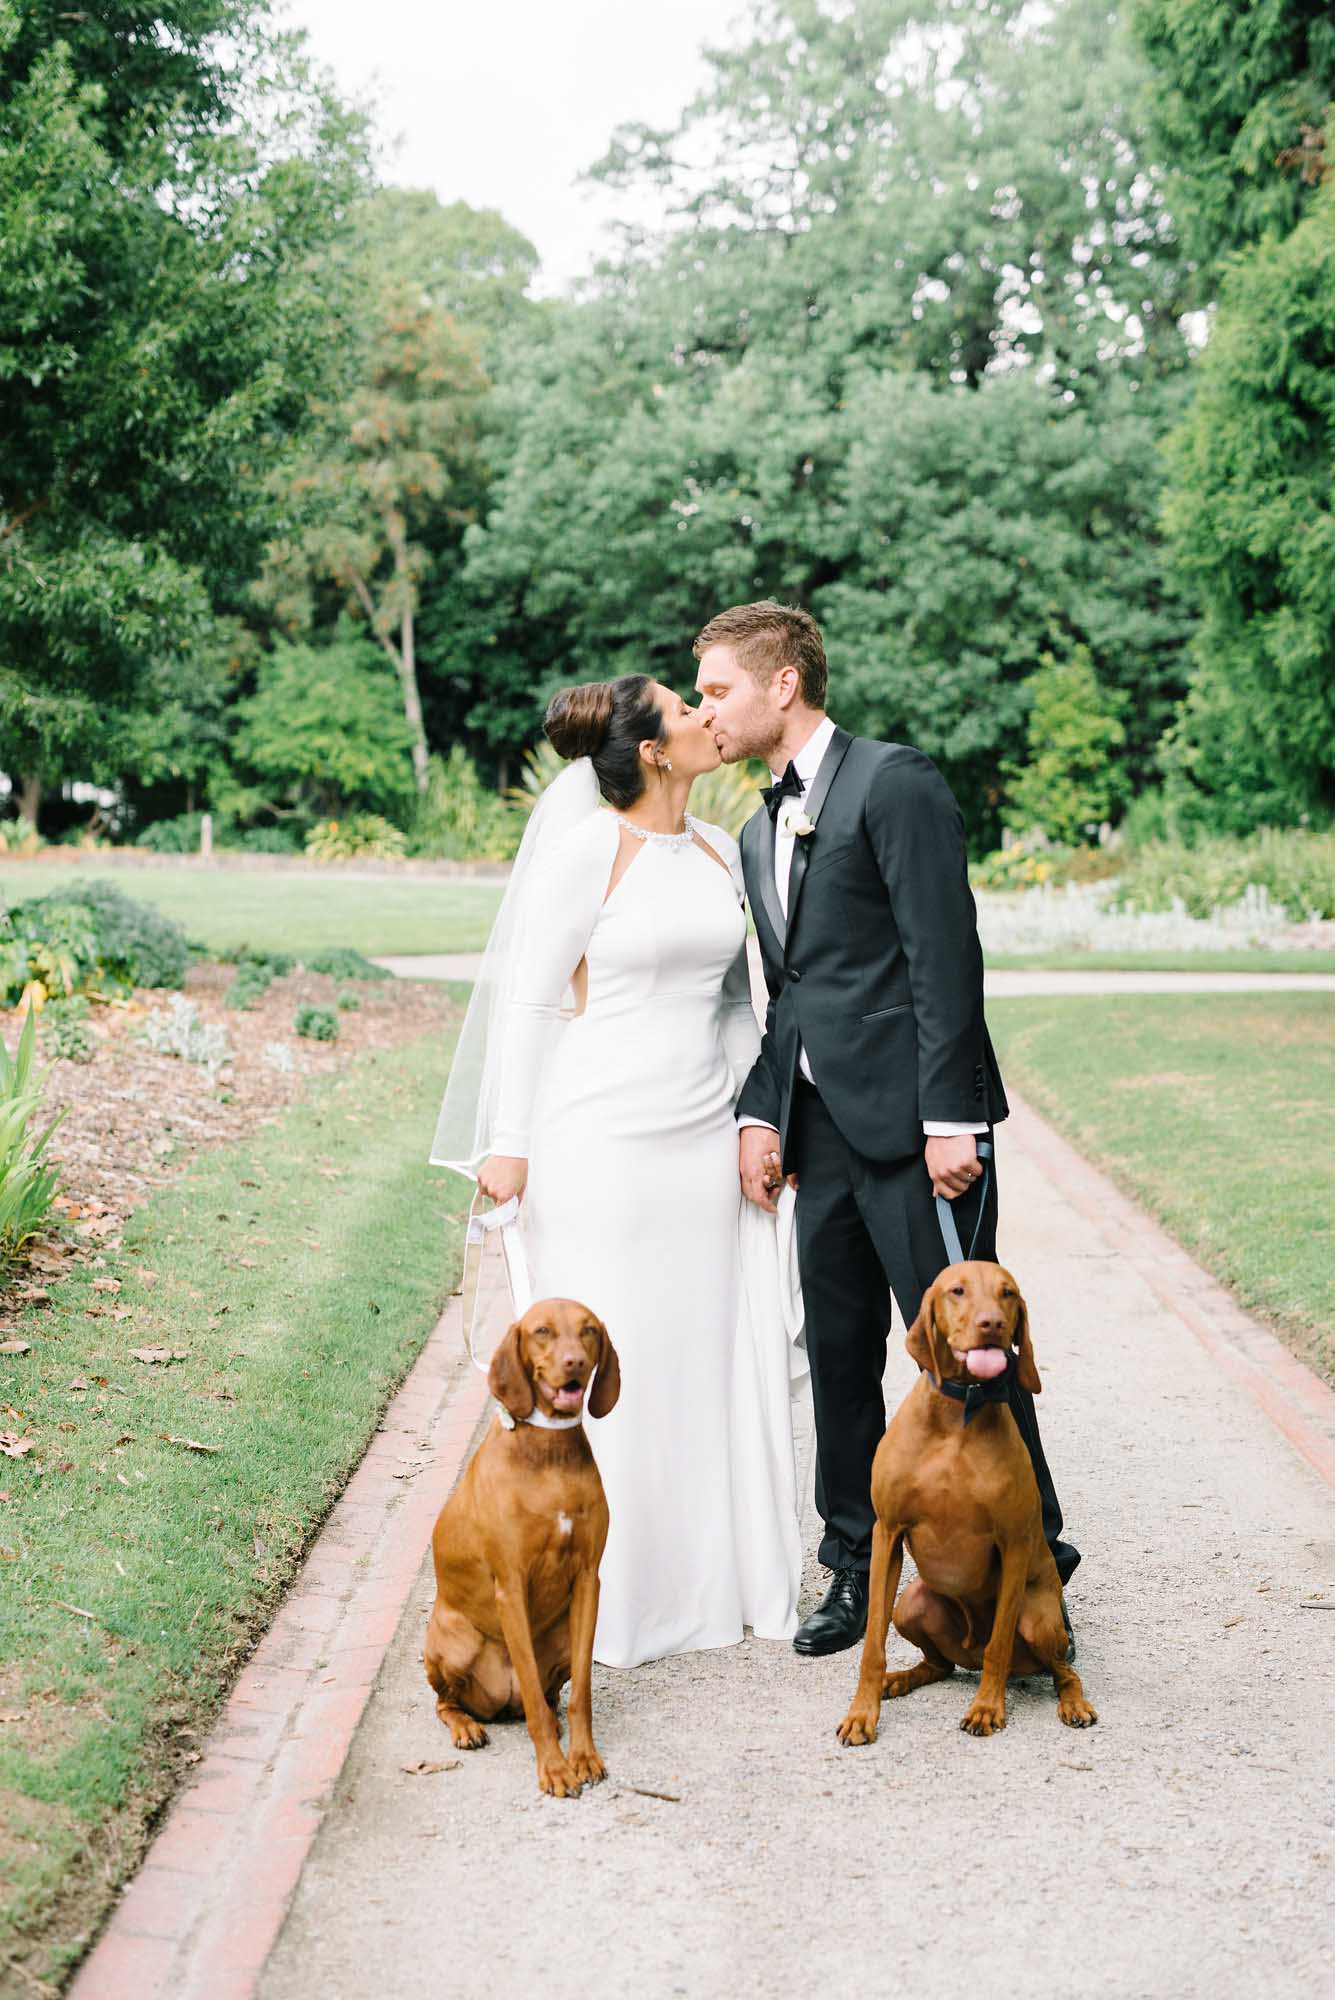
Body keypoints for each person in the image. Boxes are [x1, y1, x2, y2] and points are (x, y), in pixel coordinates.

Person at [694, 600, 1080, 1658]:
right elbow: (792, 994)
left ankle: (1035, 1569)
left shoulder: (893, 782)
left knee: (972, 1347)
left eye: (719, 688)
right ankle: (856, 1559)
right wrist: (762, 1114)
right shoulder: (756, 830)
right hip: (819, 1137)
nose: (704, 710)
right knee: (838, 1353)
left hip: (920, 1136)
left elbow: (943, 954)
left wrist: (951, 1116)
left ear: (783, 683)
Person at [431, 675, 804, 1670]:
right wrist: (509, 1141)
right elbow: (528, 1000)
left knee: (699, 1352)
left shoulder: (719, 851)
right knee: (612, 1351)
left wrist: (759, 1119)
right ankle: (615, 1598)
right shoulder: (588, 851)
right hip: (598, 1138)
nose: (706, 716)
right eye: (686, 709)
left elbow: (738, 1004)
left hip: (701, 1136)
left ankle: (714, 1584)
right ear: (651, 749)